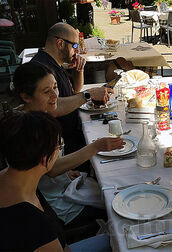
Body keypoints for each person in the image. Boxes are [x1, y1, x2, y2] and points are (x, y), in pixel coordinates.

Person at [12, 62, 125, 230]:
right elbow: (52, 169)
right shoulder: (30, 128)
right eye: (46, 91)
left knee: (111, 185)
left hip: (56, 187)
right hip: (55, 207)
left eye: (55, 87)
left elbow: (45, 166)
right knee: (117, 206)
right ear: (26, 96)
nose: (54, 96)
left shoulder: (31, 113)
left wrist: (65, 171)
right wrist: (96, 147)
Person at [0, 111, 112, 251]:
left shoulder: (0, 178)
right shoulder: (34, 222)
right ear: (45, 158)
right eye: (59, 147)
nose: (59, 151)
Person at [31, 22, 112, 172]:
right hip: (63, 145)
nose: (77, 50)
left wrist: (79, 70)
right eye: (74, 46)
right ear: (60, 43)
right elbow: (52, 108)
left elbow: (75, 89)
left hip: (71, 135)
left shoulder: (54, 62)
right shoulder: (42, 69)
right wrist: (90, 94)